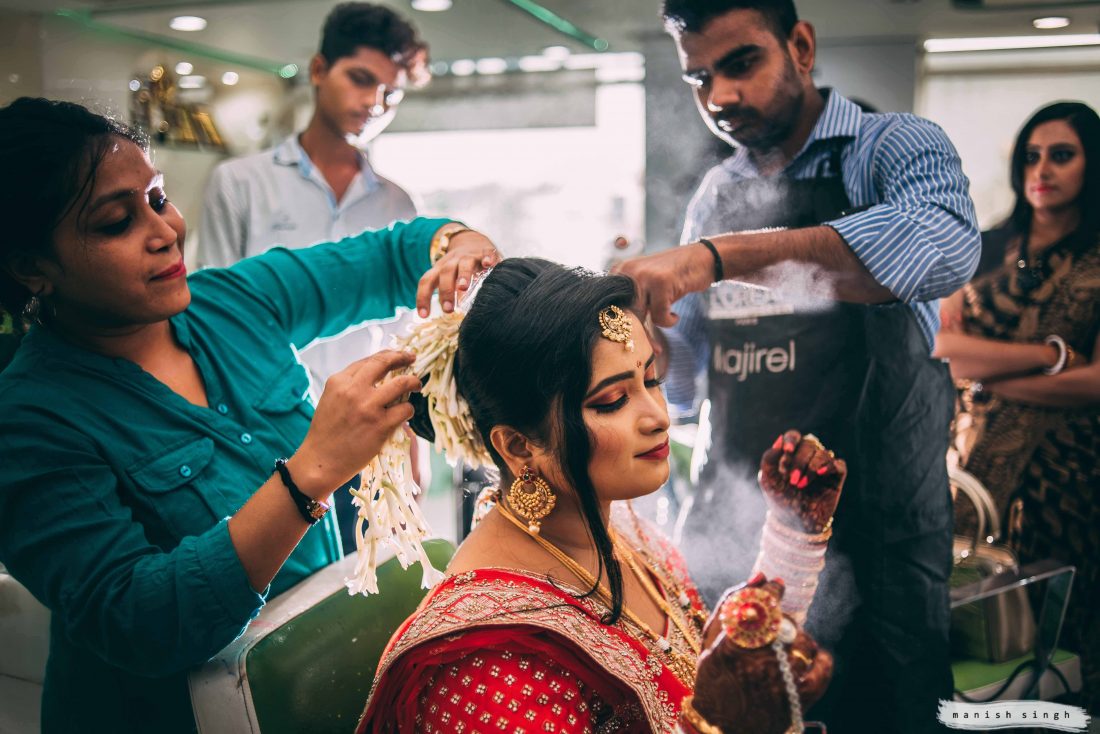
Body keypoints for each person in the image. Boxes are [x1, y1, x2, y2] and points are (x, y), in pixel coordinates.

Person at [0, 96, 498, 733]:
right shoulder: (30, 421)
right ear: (31, 268)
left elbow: (395, 254)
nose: (165, 232)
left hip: (310, 669)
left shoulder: (231, 302)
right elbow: (140, 620)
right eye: (115, 224)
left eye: (156, 199)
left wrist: (459, 246)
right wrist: (311, 472)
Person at [614, 1, 981, 731]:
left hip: (881, 538)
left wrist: (722, 258)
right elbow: (687, 386)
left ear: (802, 47)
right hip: (739, 537)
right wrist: (642, 345)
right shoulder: (716, 196)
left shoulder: (892, 149)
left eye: (741, 63)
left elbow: (944, 246)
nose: (720, 97)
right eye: (699, 77)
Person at [357, 258, 845, 733]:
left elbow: (724, 681)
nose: (657, 415)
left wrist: (792, 534)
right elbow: (718, 708)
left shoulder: (623, 532)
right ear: (519, 446)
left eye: (650, 379)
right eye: (612, 401)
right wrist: (714, 723)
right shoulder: (482, 660)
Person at [198, 2, 431, 552]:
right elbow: (210, 323)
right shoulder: (240, 183)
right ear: (319, 69)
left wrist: (413, 445)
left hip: (371, 433)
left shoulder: (398, 202)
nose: (374, 103)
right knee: (278, 598)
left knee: (361, 597)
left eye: (391, 94)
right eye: (361, 79)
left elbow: (404, 334)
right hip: (267, 437)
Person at [935, 101, 1100, 711]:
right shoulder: (982, 250)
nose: (1043, 170)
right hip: (971, 473)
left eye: (1062, 155)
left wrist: (992, 376)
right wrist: (1051, 355)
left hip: (1071, 478)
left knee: (1062, 633)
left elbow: (1096, 385)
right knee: (976, 627)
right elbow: (942, 350)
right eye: (1032, 156)